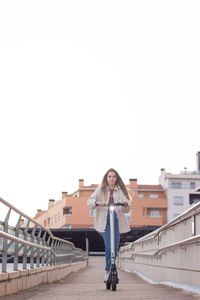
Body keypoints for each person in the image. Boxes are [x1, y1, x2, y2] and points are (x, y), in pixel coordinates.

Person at [87, 168, 131, 282]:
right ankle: (107, 271)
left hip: (116, 220)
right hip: (104, 221)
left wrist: (125, 204)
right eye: (109, 176)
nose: (111, 178)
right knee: (108, 246)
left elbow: (127, 208)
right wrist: (97, 202)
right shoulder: (100, 190)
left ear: (116, 179)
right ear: (106, 178)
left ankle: (113, 268)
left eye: (114, 176)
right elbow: (89, 202)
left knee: (115, 247)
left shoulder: (120, 192)